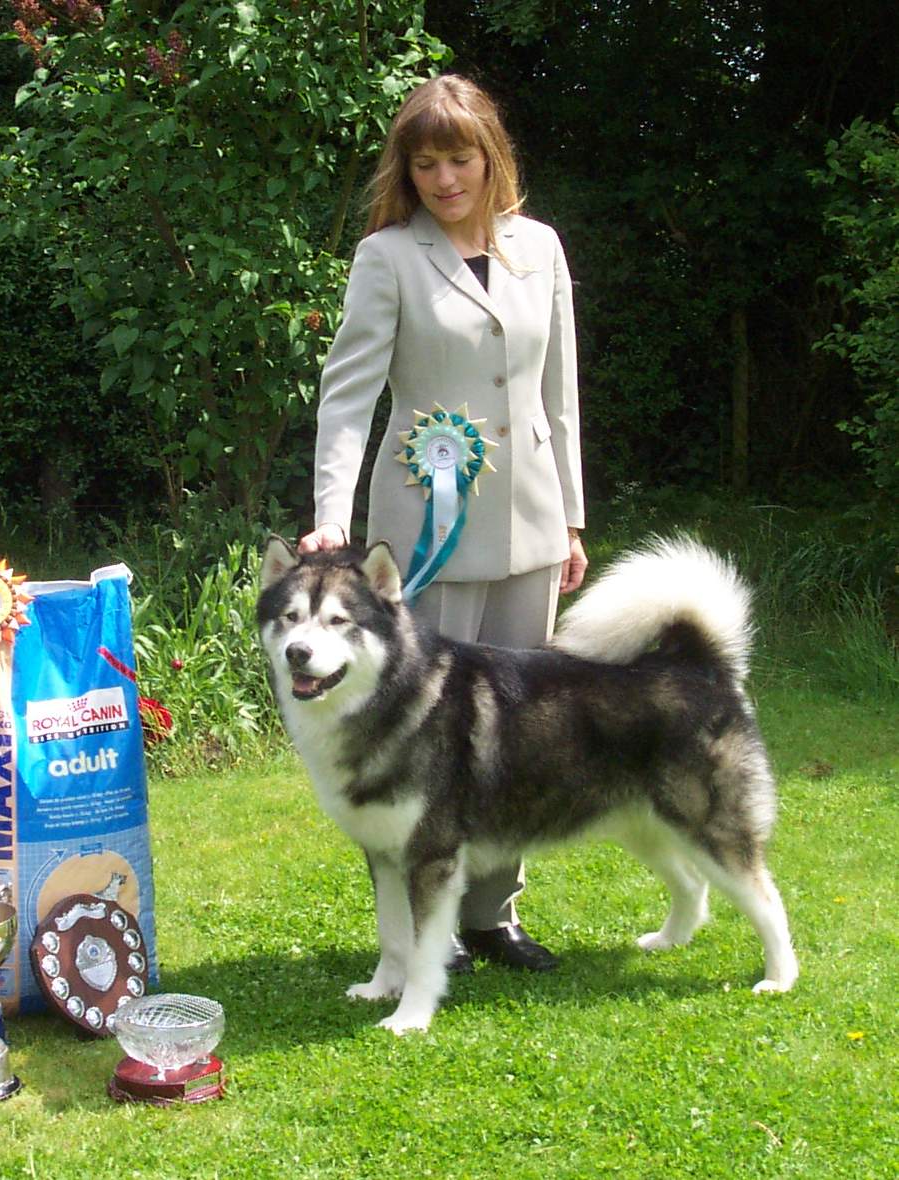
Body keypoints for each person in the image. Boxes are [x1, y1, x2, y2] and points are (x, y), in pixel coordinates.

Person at [297, 74, 588, 973]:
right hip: (423, 537)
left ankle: (491, 915)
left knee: (521, 728)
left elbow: (558, 394)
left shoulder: (541, 247)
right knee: (416, 735)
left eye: (459, 157)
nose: (445, 179)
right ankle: (419, 922)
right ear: (408, 170)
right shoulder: (387, 258)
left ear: (490, 155)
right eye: (426, 163)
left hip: (532, 528)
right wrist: (328, 519)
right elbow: (348, 397)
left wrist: (573, 518)